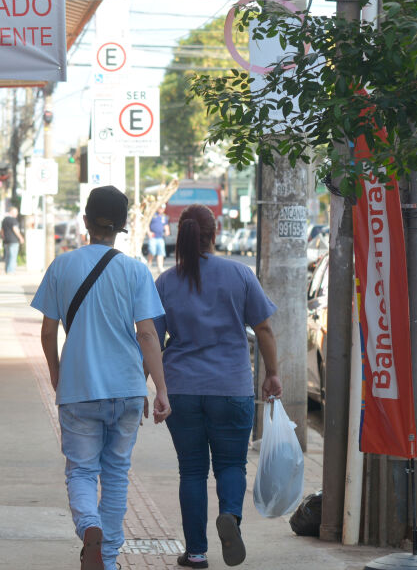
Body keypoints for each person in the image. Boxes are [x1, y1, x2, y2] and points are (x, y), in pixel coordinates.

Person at [31, 185, 171, 570]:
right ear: (123, 226)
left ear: (86, 222)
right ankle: (107, 559)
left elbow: (47, 333)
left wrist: (57, 373)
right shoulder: (135, 271)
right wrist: (160, 389)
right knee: (116, 474)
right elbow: (147, 334)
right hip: (126, 390)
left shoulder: (62, 266)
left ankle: (89, 525)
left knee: (81, 470)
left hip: (79, 390)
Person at [153, 204, 282, 569]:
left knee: (192, 470)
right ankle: (230, 517)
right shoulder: (239, 274)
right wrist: (271, 373)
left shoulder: (166, 281)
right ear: (217, 231)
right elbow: (265, 329)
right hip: (231, 387)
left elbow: (151, 338)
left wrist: (148, 386)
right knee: (231, 465)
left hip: (182, 390)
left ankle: (195, 553)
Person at [1, 206, 24, 274]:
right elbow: (15, 229)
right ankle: (11, 271)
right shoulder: (13, 220)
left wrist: (3, 237)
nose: (17, 214)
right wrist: (20, 237)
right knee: (13, 256)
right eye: (16, 212)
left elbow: (2, 230)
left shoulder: (4, 219)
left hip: (6, 240)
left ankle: (7, 270)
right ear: (11, 212)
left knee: (7, 256)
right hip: (13, 240)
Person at [147, 205, 170, 274]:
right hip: (153, 237)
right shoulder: (153, 215)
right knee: (152, 251)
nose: (161, 209)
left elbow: (166, 225)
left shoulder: (164, 217)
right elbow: (147, 224)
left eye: (163, 208)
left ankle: (160, 267)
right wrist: (149, 232)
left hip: (160, 237)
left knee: (161, 252)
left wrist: (167, 231)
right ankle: (149, 264)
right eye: (160, 208)